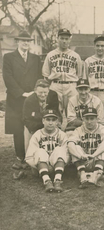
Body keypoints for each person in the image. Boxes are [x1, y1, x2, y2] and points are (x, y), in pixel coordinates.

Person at [2, 30, 42, 173]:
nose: (26, 43)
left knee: (34, 124)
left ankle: (33, 155)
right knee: (18, 128)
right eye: (23, 40)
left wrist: (35, 92)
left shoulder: (35, 58)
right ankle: (20, 157)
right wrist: (21, 93)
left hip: (32, 98)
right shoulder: (8, 57)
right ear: (17, 42)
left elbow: (39, 76)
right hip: (16, 98)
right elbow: (8, 77)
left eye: (28, 41)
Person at [25, 109, 69, 192]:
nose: (50, 123)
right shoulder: (37, 134)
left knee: (60, 149)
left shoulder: (62, 135)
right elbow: (29, 157)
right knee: (40, 151)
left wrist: (55, 166)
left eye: (53, 120)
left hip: (57, 166)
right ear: (43, 121)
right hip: (40, 167)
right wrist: (38, 166)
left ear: (57, 122)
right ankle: (46, 181)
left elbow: (66, 154)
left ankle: (57, 180)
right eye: (48, 119)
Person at [67, 107, 104, 188]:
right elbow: (70, 144)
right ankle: (82, 173)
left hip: (97, 160)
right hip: (83, 161)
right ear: (83, 119)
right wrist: (80, 156)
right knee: (75, 146)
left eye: (92, 118)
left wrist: (93, 155)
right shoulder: (78, 130)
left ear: (97, 119)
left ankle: (97, 173)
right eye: (87, 119)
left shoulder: (102, 128)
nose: (89, 121)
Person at [42, 28, 83, 113]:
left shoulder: (75, 56)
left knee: (73, 113)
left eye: (66, 39)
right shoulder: (50, 55)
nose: (64, 41)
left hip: (71, 86)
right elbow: (46, 74)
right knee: (54, 113)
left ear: (69, 40)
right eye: (62, 38)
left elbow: (79, 75)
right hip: (55, 85)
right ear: (57, 39)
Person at [23, 79, 61, 151]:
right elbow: (26, 119)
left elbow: (55, 112)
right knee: (30, 152)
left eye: (45, 92)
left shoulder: (53, 95)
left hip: (50, 123)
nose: (43, 95)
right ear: (35, 91)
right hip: (34, 125)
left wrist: (37, 115)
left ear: (48, 90)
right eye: (40, 92)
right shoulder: (29, 100)